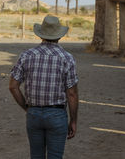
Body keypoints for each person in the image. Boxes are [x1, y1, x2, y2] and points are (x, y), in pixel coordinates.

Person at [9, 15, 79, 159]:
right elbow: (71, 94)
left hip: (33, 114)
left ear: (41, 34)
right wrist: (73, 120)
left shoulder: (26, 55)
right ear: (59, 36)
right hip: (57, 115)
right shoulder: (67, 58)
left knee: (36, 156)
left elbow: (13, 86)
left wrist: (27, 108)